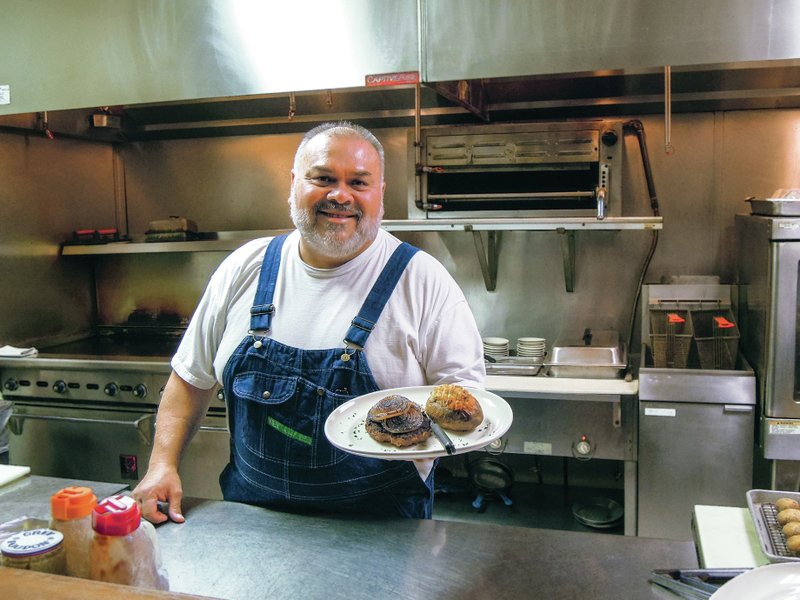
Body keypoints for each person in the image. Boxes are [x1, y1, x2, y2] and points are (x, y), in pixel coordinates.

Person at [132, 121, 485, 522]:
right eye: (323, 178)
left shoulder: (422, 280)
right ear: (294, 183)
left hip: (382, 532)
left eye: (359, 182)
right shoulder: (246, 267)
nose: (340, 195)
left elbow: (463, 399)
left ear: (381, 194)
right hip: (253, 525)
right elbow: (189, 379)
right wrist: (162, 464)